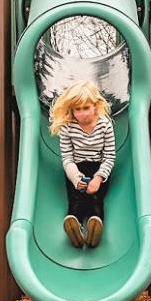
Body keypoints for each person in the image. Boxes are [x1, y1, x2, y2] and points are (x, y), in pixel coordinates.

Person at [49, 80, 115, 248]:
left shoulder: (105, 126)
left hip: (98, 169)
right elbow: (67, 158)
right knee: (76, 199)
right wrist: (75, 178)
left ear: (95, 106)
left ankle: (95, 227)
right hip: (76, 169)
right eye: (77, 109)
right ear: (72, 110)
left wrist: (98, 179)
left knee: (95, 199)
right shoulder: (68, 128)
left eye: (86, 108)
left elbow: (109, 157)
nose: (82, 113)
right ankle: (74, 226)